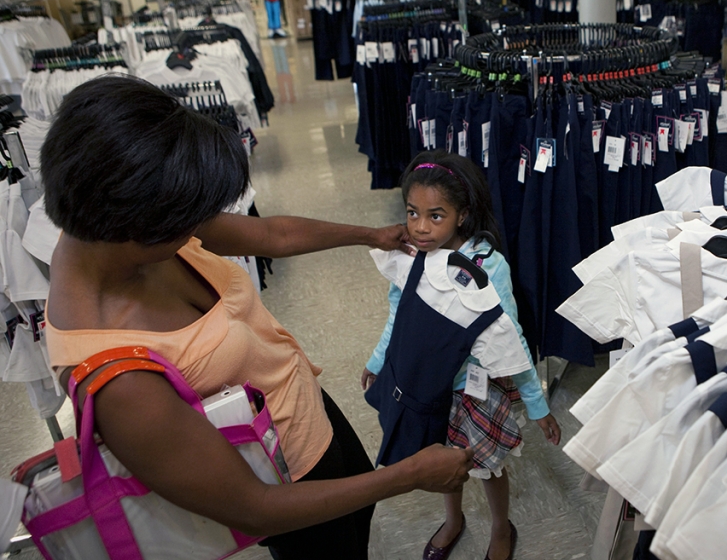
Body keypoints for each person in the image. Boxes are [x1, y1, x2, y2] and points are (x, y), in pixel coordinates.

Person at [40, 75, 475, 560]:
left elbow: (270, 236)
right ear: (139, 224)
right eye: (187, 222)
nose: (198, 229)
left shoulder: (114, 213)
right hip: (284, 479)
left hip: (306, 409)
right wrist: (410, 475)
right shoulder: (117, 382)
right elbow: (256, 507)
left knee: (356, 524)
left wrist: (370, 235)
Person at [362, 150, 561, 560]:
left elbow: (511, 339)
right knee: (440, 461)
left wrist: (537, 404)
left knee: (487, 465)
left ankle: (501, 526)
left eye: (435, 216)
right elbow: (398, 314)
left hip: (475, 390)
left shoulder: (489, 266)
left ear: (463, 215)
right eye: (412, 213)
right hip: (426, 384)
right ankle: (453, 520)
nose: (419, 227)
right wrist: (378, 360)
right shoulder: (409, 256)